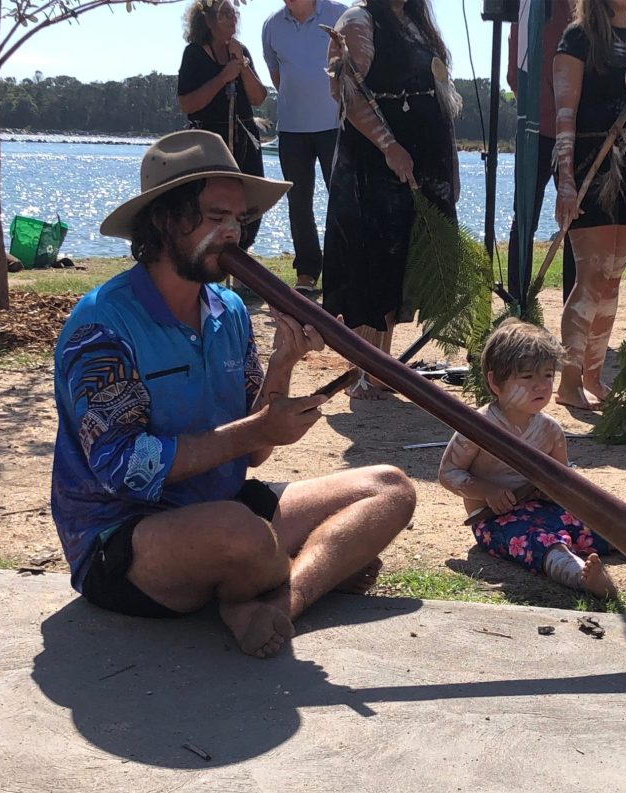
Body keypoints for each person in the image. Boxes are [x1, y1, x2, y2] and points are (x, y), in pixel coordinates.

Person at [50, 131, 415, 658]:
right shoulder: (103, 326)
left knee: (389, 489)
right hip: (125, 539)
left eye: (239, 220)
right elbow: (125, 466)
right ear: (164, 220)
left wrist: (284, 364)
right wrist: (258, 429)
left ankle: (277, 602)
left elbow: (255, 451)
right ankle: (282, 572)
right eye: (215, 216)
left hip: (221, 504)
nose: (233, 235)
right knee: (243, 536)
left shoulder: (228, 310)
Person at [438, 319, 626, 596]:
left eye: (547, 375)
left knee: (610, 520)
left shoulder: (550, 430)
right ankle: (580, 577)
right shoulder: (476, 429)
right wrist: (486, 491)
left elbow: (562, 480)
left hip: (547, 510)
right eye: (528, 376)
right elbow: (449, 473)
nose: (540, 385)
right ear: (495, 382)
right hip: (497, 522)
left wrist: (558, 490)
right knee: (542, 543)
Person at [321, 0, 460, 399]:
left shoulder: (417, 23)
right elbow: (345, 90)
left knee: (401, 267)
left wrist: (447, 168)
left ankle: (381, 366)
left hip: (420, 158)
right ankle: (366, 369)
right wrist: (388, 145)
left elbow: (439, 93)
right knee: (373, 266)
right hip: (374, 164)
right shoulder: (358, 21)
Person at [554, 0, 626, 411]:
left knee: (613, 279)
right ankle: (568, 381)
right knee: (591, 277)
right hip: (589, 161)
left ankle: (594, 375)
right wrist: (566, 181)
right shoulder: (579, 37)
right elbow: (566, 114)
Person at [261, 0, 347, 295]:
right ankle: (308, 272)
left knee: (341, 200)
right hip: (292, 129)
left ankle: (343, 271)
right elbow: (277, 75)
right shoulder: (271, 25)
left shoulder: (339, 14)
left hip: (335, 126)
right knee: (298, 203)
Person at [178, 0, 269, 251]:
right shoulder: (195, 53)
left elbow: (258, 98)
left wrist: (242, 66)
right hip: (210, 140)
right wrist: (223, 77)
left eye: (234, 13)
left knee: (249, 196)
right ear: (207, 20)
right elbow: (187, 103)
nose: (232, 19)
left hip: (244, 138)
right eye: (224, 14)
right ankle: (208, 250)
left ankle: (242, 253)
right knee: (211, 198)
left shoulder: (241, 52)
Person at [506, 0, 576, 304]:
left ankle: (573, 308)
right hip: (535, 131)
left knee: (575, 221)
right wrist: (540, 109)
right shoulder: (528, 8)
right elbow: (513, 74)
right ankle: (518, 303)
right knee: (525, 217)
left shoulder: (584, 10)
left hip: (574, 132)